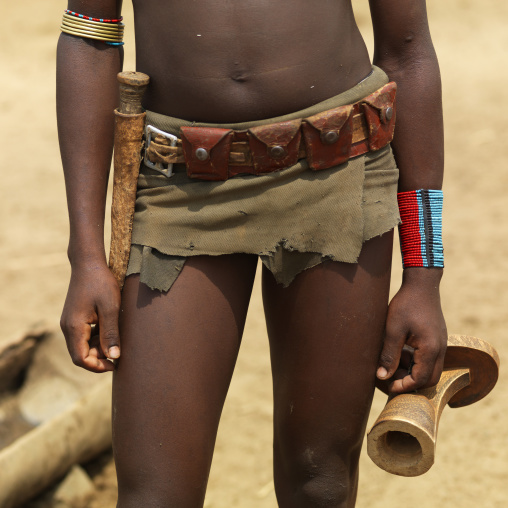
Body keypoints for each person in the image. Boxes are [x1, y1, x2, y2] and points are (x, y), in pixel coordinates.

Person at [57, 1, 447, 506]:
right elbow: (90, 36)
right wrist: (85, 256)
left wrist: (424, 274)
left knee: (320, 479)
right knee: (155, 494)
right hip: (178, 185)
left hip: (339, 167)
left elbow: (408, 52)